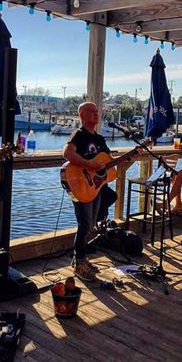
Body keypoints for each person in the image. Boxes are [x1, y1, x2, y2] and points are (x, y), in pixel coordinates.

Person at [63, 102, 112, 281]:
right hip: (79, 183)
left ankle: (80, 260)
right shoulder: (79, 135)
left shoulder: (99, 139)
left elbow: (109, 162)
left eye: (97, 111)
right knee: (84, 224)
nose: (96, 113)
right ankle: (80, 263)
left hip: (95, 186)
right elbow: (68, 154)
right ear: (81, 115)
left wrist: (131, 156)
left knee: (90, 224)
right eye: (91, 111)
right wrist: (89, 164)